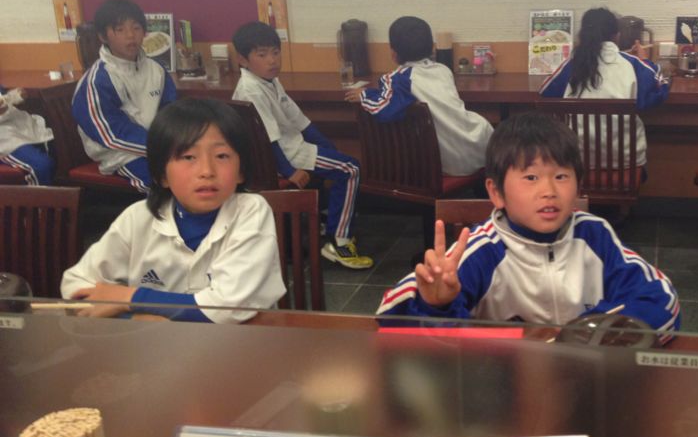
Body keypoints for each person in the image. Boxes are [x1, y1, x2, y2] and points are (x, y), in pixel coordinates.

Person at [377, 113, 680, 331]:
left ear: (578, 185)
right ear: (496, 192)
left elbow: (662, 298)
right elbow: (389, 317)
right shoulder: (482, 251)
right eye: (531, 177)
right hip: (504, 384)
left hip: (585, 375)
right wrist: (435, 306)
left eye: (561, 176)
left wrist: (590, 330)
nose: (549, 191)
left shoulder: (593, 234)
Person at [60, 98, 285, 323]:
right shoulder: (138, 217)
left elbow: (225, 308)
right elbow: (76, 285)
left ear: (241, 171)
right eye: (188, 157)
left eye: (221, 156)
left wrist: (132, 297)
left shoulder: (251, 211)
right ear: (162, 175)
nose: (207, 171)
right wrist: (136, 317)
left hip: (239, 341)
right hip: (152, 342)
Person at [231, 21, 372, 269]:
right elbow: (269, 140)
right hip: (284, 156)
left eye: (275, 52)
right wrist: (289, 171)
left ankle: (329, 221)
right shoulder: (252, 90)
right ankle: (339, 241)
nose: (272, 60)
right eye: (262, 55)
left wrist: (329, 149)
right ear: (243, 60)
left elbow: (301, 122)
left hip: (292, 148)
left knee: (341, 161)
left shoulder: (269, 81)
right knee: (351, 169)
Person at [346, 16, 493, 176]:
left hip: (444, 164)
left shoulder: (397, 79)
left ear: (393, 53)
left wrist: (365, 95)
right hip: (479, 151)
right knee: (483, 124)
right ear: (432, 47)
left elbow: (385, 109)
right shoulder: (443, 70)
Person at [538, 7, 670, 171]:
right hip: (626, 164)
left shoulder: (573, 63)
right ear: (616, 35)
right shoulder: (632, 64)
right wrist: (644, 60)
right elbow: (657, 90)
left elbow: (546, 91)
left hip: (577, 162)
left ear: (583, 35)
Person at [71, 0, 177, 192]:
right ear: (103, 36)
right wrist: (160, 147)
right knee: (161, 179)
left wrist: (175, 141)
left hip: (159, 145)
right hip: (119, 153)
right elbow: (111, 134)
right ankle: (161, 212)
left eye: (136, 28)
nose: (130, 35)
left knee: (191, 170)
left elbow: (170, 111)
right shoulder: (98, 80)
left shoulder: (156, 70)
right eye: (120, 30)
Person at [0, 86, 54, 184]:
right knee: (41, 165)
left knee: (64, 147)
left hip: (21, 124)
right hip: (5, 139)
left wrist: (15, 95)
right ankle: (37, 194)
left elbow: (4, 97)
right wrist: (10, 99)